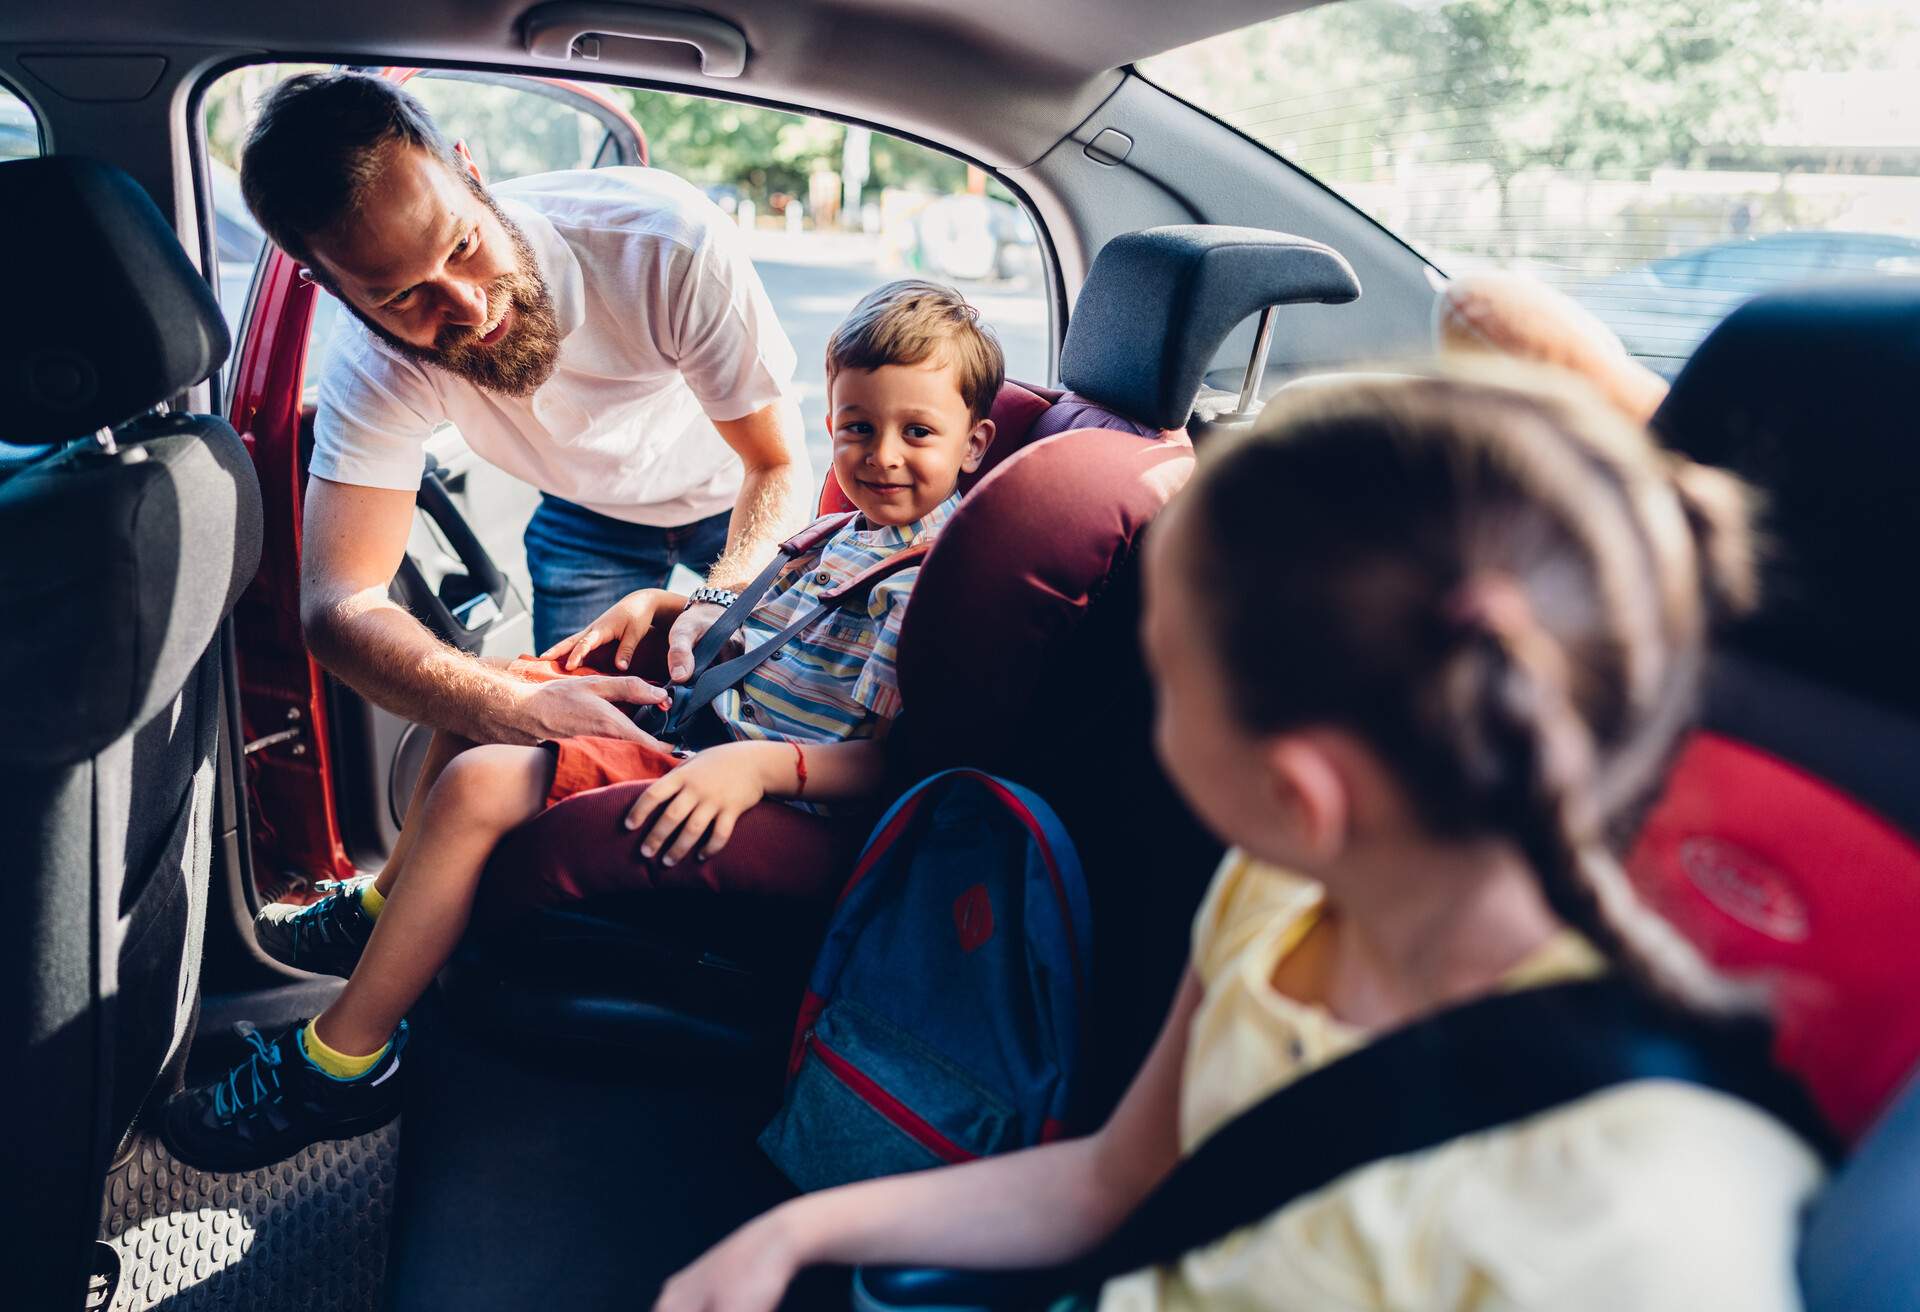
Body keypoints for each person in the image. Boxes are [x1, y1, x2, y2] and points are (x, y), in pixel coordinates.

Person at [653, 364, 1824, 1312]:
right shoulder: (1280, 893)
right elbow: (1121, 1178)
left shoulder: (1636, 1229)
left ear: (1299, 788)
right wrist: (796, 1231)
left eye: (1158, 675)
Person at [159, 281, 1004, 1172]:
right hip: (718, 728)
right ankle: (379, 909)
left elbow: (906, 764)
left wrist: (761, 772)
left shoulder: (934, 581)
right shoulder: (847, 534)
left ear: (975, 443)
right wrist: (668, 602)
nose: (881, 456)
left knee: (484, 778)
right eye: (856, 428)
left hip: (785, 798)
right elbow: (784, 634)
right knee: (503, 690)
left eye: (918, 433)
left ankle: (343, 1063)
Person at [239, 71, 815, 751]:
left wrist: (722, 605)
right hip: (587, 520)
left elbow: (775, 461)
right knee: (572, 742)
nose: (469, 306)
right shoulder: (373, 364)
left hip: (735, 497)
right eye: (401, 298)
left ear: (470, 171)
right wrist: (511, 705)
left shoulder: (666, 244)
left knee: (776, 715)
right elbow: (340, 604)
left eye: (462, 245)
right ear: (334, 293)